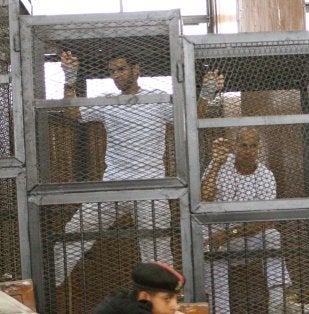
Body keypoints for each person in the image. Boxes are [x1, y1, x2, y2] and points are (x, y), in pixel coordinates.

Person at [52, 51, 224, 287]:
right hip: (113, 186)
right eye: (112, 71)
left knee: (158, 254)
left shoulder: (157, 98)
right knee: (71, 235)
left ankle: (164, 307)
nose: (116, 75)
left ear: (136, 69)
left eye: (121, 69)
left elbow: (192, 116)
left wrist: (206, 94)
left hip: (151, 189)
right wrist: (70, 80)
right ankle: (40, 295)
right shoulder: (108, 101)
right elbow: (72, 113)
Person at [201, 127, 291, 314]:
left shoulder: (265, 176)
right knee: (210, 245)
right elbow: (204, 197)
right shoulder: (221, 163)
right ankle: (220, 308)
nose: (248, 150)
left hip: (248, 237)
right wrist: (217, 163)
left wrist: (229, 234)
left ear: (259, 148)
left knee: (272, 235)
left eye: (253, 146)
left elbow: (266, 222)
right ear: (235, 146)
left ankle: (277, 303)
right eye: (243, 145)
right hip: (216, 236)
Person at [93, 261, 185, 314]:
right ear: (144, 296)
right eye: (167, 298)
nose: (175, 306)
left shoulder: (126, 302)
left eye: (176, 298)